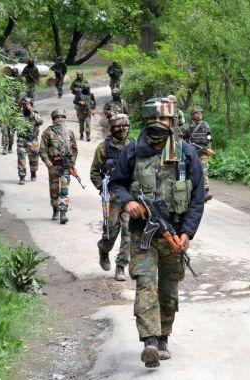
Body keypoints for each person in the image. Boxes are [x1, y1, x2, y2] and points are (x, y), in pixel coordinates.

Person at [108, 97, 205, 368]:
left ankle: (163, 337)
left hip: (175, 233)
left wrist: (188, 233)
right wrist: (128, 201)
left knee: (168, 289)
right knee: (146, 282)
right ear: (146, 121)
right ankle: (149, 341)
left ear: (172, 122)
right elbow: (116, 183)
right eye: (154, 119)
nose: (159, 124)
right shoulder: (132, 152)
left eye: (164, 120)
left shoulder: (186, 153)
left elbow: (197, 197)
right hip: (142, 234)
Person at [90, 114, 132, 281]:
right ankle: (103, 249)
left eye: (124, 126)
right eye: (118, 127)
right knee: (111, 232)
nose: (121, 130)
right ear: (112, 128)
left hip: (129, 196)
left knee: (128, 232)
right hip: (112, 197)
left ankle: (121, 267)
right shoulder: (103, 148)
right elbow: (94, 172)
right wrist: (102, 187)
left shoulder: (134, 146)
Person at [39, 109, 78, 224]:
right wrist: (46, 160)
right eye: (57, 117)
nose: (60, 119)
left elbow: (75, 150)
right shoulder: (48, 132)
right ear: (53, 119)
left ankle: (63, 213)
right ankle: (55, 209)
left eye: (62, 117)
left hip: (66, 167)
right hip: (54, 166)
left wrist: (72, 163)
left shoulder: (70, 132)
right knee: (54, 190)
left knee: (64, 190)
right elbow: (42, 149)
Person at [179, 106, 213, 201]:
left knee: (204, 170)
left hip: (203, 152)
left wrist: (209, 147)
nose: (197, 114)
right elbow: (179, 134)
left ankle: (205, 192)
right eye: (195, 113)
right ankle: (190, 191)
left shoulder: (205, 125)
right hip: (191, 152)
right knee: (190, 171)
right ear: (192, 115)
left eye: (199, 113)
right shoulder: (187, 125)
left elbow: (209, 137)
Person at [16, 97, 42, 185]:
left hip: (33, 141)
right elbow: (11, 120)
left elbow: (40, 122)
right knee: (21, 160)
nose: (27, 106)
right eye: (25, 104)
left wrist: (32, 112)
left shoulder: (36, 114)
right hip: (22, 141)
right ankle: (22, 176)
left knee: (34, 160)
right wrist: (18, 108)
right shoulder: (19, 115)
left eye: (28, 104)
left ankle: (33, 173)